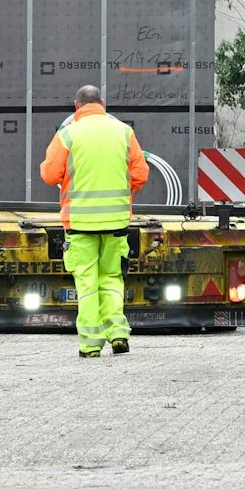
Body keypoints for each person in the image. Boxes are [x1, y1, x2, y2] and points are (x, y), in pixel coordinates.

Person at [40, 84, 149, 358]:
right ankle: (118, 333)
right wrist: (126, 196)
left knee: (87, 283)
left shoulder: (67, 135)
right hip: (116, 223)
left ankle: (90, 344)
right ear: (103, 103)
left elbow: (50, 175)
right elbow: (141, 173)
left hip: (80, 225)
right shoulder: (124, 132)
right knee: (112, 278)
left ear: (76, 106)